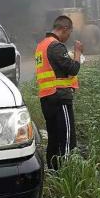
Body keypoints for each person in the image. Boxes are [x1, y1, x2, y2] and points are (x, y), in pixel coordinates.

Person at [35, 16, 83, 170]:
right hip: (60, 98)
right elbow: (73, 69)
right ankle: (68, 172)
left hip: (46, 98)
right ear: (64, 29)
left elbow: (55, 69)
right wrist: (77, 53)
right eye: (69, 33)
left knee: (54, 138)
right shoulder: (55, 46)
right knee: (67, 138)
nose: (68, 37)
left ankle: (54, 171)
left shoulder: (41, 46)